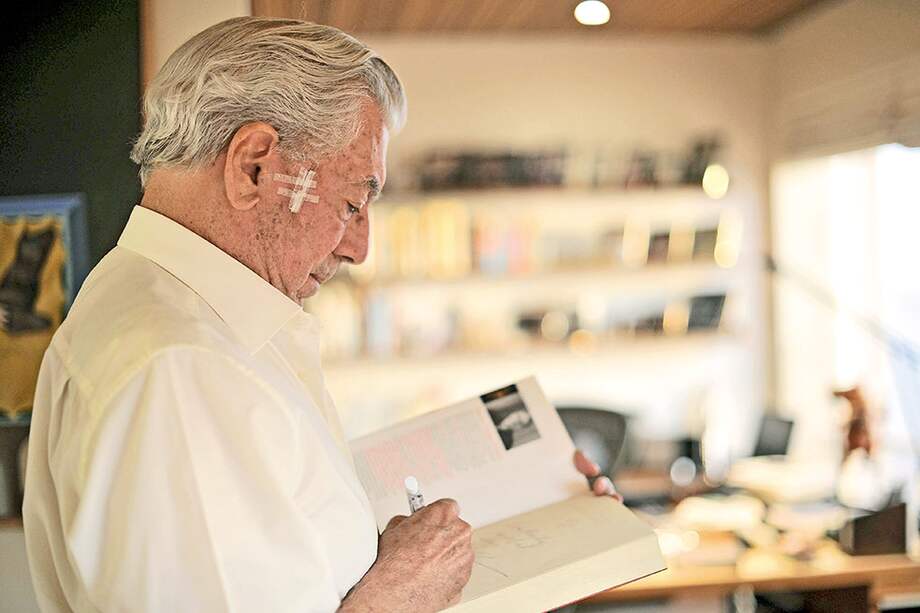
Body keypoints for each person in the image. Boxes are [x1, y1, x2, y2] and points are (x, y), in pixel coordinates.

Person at [23, 17, 621, 613]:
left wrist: (542, 504)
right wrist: (400, 598)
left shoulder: (182, 318)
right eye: (353, 202)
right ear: (255, 166)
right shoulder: (183, 367)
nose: (359, 247)